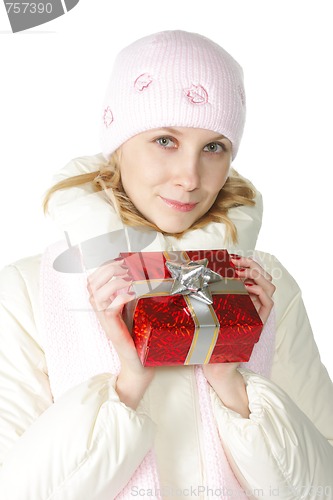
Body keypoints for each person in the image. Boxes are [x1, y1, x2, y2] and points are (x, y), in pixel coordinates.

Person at [0, 30, 332, 500]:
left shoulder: (265, 283)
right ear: (118, 144)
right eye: (165, 140)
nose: (191, 178)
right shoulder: (31, 289)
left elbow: (320, 487)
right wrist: (127, 385)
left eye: (214, 147)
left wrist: (232, 382)